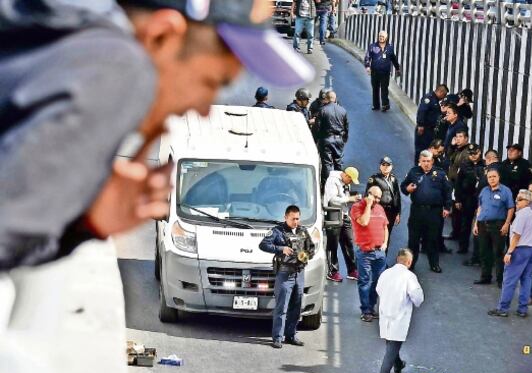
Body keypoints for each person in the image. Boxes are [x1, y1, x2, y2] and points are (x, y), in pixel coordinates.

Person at [0, 0, 312, 272]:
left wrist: (87, 225)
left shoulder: (62, 37)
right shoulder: (119, 67)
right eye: (211, 81)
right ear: (162, 36)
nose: (205, 109)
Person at [259, 205, 316, 348]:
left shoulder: (303, 231)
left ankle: (291, 335)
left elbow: (311, 248)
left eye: (297, 218)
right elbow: (263, 244)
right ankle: (277, 337)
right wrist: (281, 249)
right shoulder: (277, 231)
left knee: (296, 307)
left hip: (299, 273)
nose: (296, 222)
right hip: (285, 273)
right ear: (286, 217)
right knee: (281, 307)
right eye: (293, 219)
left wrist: (306, 255)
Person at [375, 249, 424, 373]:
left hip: (385, 311)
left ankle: (398, 364)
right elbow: (418, 298)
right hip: (399, 315)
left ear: (397, 259)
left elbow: (378, 289)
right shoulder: (409, 277)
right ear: (409, 262)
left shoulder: (386, 273)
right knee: (394, 344)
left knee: (390, 341)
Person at [488, 189, 532, 318]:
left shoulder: (522, 215)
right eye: (517, 198)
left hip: (520, 250)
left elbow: (517, 236)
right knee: (526, 280)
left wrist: (509, 252)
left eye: (520, 199)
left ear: (527, 201)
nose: (517, 201)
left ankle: (503, 308)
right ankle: (522, 309)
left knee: (509, 280)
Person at [402, 150, 453, 273]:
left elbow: (447, 191)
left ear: (432, 161)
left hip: (434, 212)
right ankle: (411, 264)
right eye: (423, 161)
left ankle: (434, 264)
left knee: (433, 239)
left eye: (428, 161)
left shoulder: (440, 174)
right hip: (417, 211)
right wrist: (407, 189)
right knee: (413, 240)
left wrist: (447, 207)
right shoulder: (413, 172)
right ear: (419, 161)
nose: (426, 164)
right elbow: (403, 187)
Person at [349, 185, 390, 322]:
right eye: (375, 197)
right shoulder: (357, 207)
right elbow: (364, 221)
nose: (378, 200)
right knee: (365, 281)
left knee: (378, 282)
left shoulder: (380, 208)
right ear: (368, 194)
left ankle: (371, 308)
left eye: (379, 197)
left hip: (379, 252)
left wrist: (385, 244)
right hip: (365, 252)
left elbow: (385, 227)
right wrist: (368, 204)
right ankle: (366, 310)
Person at [473, 168, 514, 287]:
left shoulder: (505, 191)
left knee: (498, 253)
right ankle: (485, 277)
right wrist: (476, 223)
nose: (492, 179)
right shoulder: (484, 191)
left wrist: (507, 224)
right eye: (489, 177)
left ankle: (501, 280)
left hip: (498, 225)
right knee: (484, 252)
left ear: (499, 177)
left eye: (494, 176)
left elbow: (511, 208)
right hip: (482, 224)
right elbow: (480, 207)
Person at [323, 166, 361, 282]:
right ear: (346, 176)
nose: (350, 183)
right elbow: (333, 199)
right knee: (332, 245)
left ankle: (352, 270)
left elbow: (344, 196)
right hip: (333, 215)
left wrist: (351, 198)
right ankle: (332, 271)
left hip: (344, 215)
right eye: (350, 180)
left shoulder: (346, 182)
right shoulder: (332, 181)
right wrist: (349, 199)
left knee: (349, 242)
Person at [454, 144, 484, 257]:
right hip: (467, 197)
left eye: (475, 154)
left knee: (480, 225)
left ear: (479, 152)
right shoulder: (464, 165)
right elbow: (458, 183)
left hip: (480, 198)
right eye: (471, 154)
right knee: (465, 223)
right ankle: (463, 246)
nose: (473, 156)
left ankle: (478, 251)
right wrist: (457, 199)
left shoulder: (484, 165)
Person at [316, 89, 350, 187]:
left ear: (326, 99)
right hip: (339, 140)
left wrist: (317, 140)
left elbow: (317, 127)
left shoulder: (322, 110)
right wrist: (345, 139)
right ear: (335, 99)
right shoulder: (343, 110)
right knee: (338, 162)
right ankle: (339, 184)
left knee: (326, 163)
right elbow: (346, 126)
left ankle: (326, 185)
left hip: (326, 139)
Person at [367, 157, 402, 249]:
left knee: (387, 235)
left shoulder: (394, 179)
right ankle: (374, 256)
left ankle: (382, 259)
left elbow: (397, 196)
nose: (385, 167)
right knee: (376, 234)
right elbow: (367, 195)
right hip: (378, 210)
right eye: (383, 165)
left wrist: (398, 212)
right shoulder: (374, 179)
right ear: (380, 166)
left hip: (391, 211)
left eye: (388, 165)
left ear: (391, 167)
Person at [365, 30, 402, 112]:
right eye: (380, 36)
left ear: (386, 38)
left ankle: (385, 105)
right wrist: (367, 66)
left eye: (382, 36)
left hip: (385, 73)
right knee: (375, 89)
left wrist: (397, 68)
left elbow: (394, 59)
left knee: (384, 88)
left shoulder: (390, 48)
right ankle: (376, 105)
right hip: (374, 72)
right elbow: (367, 57)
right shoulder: (372, 46)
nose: (381, 38)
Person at [414, 83, 448, 162]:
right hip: (424, 129)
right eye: (444, 95)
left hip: (430, 130)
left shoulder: (435, 100)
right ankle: (417, 167)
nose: (444, 97)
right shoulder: (429, 98)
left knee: (427, 149)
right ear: (440, 92)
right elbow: (422, 111)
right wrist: (421, 125)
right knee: (421, 149)